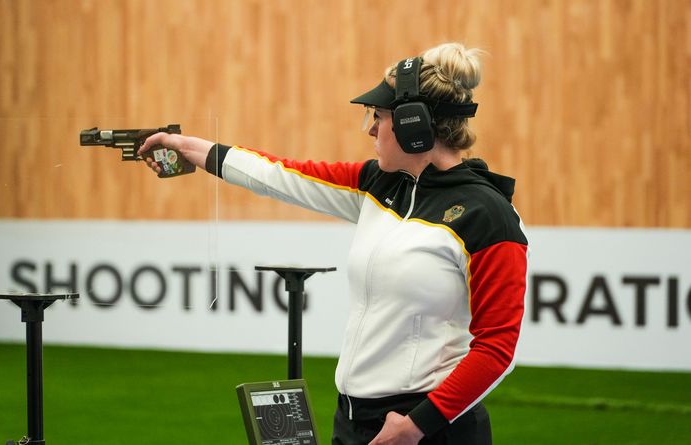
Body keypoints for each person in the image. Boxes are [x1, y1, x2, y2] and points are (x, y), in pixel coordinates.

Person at [138, 42, 528, 445]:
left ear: (414, 126)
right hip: (355, 418)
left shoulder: (488, 215)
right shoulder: (380, 184)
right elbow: (282, 175)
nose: (372, 129)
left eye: (379, 117)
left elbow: (497, 348)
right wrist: (187, 147)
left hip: (428, 429)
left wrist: (416, 425)